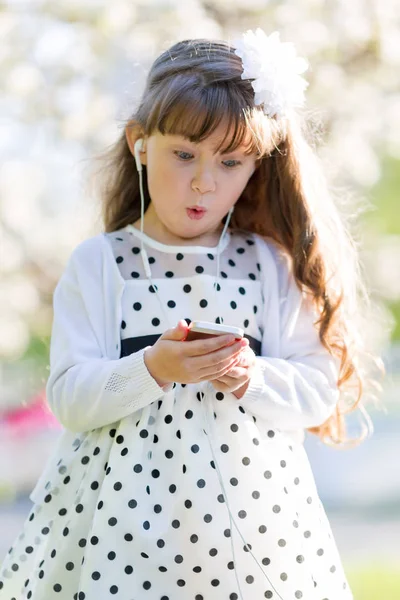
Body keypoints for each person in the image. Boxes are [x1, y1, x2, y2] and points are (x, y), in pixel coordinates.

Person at [0, 28, 382, 600]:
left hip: (252, 532)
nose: (204, 180)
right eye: (184, 154)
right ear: (140, 143)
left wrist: (251, 374)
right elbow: (71, 396)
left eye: (231, 162)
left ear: (258, 166)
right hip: (122, 531)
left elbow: (315, 392)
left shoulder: (267, 265)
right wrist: (153, 369)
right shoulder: (102, 264)